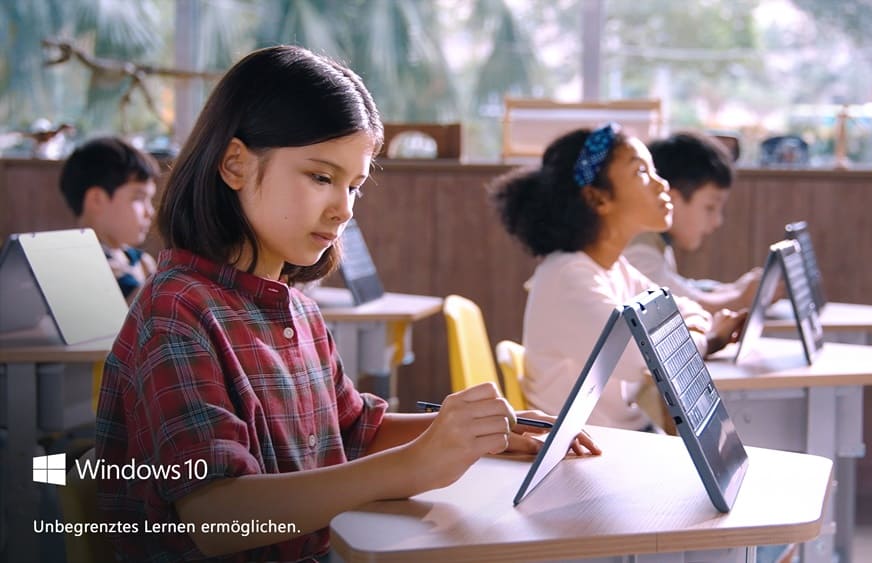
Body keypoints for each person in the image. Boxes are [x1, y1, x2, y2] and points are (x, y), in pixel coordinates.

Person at [95, 45, 598, 562]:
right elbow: (217, 516)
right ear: (235, 164)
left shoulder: (297, 309)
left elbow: (354, 430)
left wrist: (480, 431)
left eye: (354, 185)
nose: (343, 209)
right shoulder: (176, 311)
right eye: (320, 177)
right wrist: (416, 465)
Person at [490, 124, 745, 433]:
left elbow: (685, 309)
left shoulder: (614, 268)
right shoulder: (568, 279)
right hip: (587, 450)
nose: (661, 184)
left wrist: (688, 332)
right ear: (598, 199)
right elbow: (650, 357)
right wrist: (710, 339)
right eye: (641, 173)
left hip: (623, 437)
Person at [623, 131, 762, 313]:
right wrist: (741, 298)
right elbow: (678, 309)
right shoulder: (640, 252)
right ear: (670, 199)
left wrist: (733, 289)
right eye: (710, 207)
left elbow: (683, 288)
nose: (717, 221)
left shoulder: (655, 240)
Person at [59, 136, 159, 301]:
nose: (150, 212)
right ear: (97, 199)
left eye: (150, 199)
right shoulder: (77, 270)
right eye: (138, 198)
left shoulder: (142, 262)